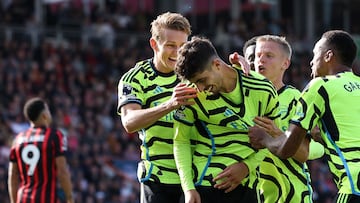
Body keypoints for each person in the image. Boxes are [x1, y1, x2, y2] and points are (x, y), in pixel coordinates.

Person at [249, 30, 360, 203]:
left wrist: (265, 139)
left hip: (353, 185)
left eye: (316, 54)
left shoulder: (320, 86)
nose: (311, 61)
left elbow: (287, 149)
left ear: (328, 56)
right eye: (258, 55)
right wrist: (323, 137)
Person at [173, 36, 280, 203]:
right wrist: (188, 189)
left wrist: (247, 166)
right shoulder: (191, 95)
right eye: (195, 83)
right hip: (204, 187)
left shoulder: (263, 89)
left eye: (202, 80)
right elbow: (181, 141)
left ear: (217, 65)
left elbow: (274, 137)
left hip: (247, 187)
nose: (200, 88)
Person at [117, 12, 198, 203]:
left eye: (182, 46)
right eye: (170, 45)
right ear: (154, 44)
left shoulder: (196, 74)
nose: (177, 52)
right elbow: (129, 122)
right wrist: (170, 104)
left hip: (196, 176)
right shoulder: (135, 78)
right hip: (158, 178)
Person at [8, 97, 74, 203]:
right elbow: (62, 171)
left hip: (23, 199)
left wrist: (13, 201)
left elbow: (12, 175)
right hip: (46, 198)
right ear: (44, 115)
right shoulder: (55, 136)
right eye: (47, 110)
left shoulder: (17, 139)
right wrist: (69, 197)